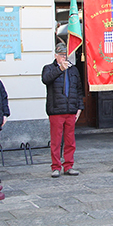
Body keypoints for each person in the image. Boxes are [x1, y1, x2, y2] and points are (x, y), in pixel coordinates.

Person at [42, 42, 83, 177]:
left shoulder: (74, 70)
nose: (64, 57)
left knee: (70, 141)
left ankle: (69, 165)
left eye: (66, 55)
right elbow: (46, 79)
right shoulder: (49, 68)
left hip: (70, 110)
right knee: (56, 141)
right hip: (56, 110)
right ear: (56, 56)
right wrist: (60, 69)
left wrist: (79, 107)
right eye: (61, 55)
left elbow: (78, 89)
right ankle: (55, 166)